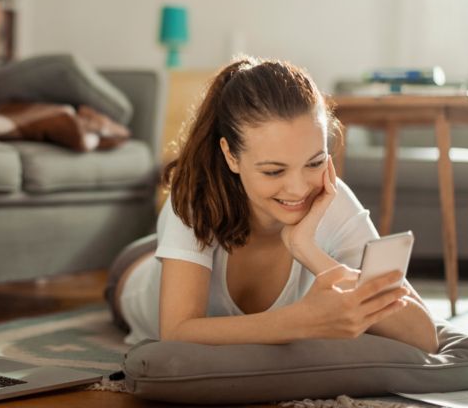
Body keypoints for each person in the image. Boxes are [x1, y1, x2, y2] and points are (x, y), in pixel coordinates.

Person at [104, 56, 439, 353]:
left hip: (185, 249)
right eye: (274, 170)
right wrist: (301, 322)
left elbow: (424, 336)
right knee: (153, 259)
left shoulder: (330, 198)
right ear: (230, 155)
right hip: (134, 273)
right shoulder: (195, 197)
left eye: (314, 162)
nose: (298, 189)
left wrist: (309, 251)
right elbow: (176, 332)